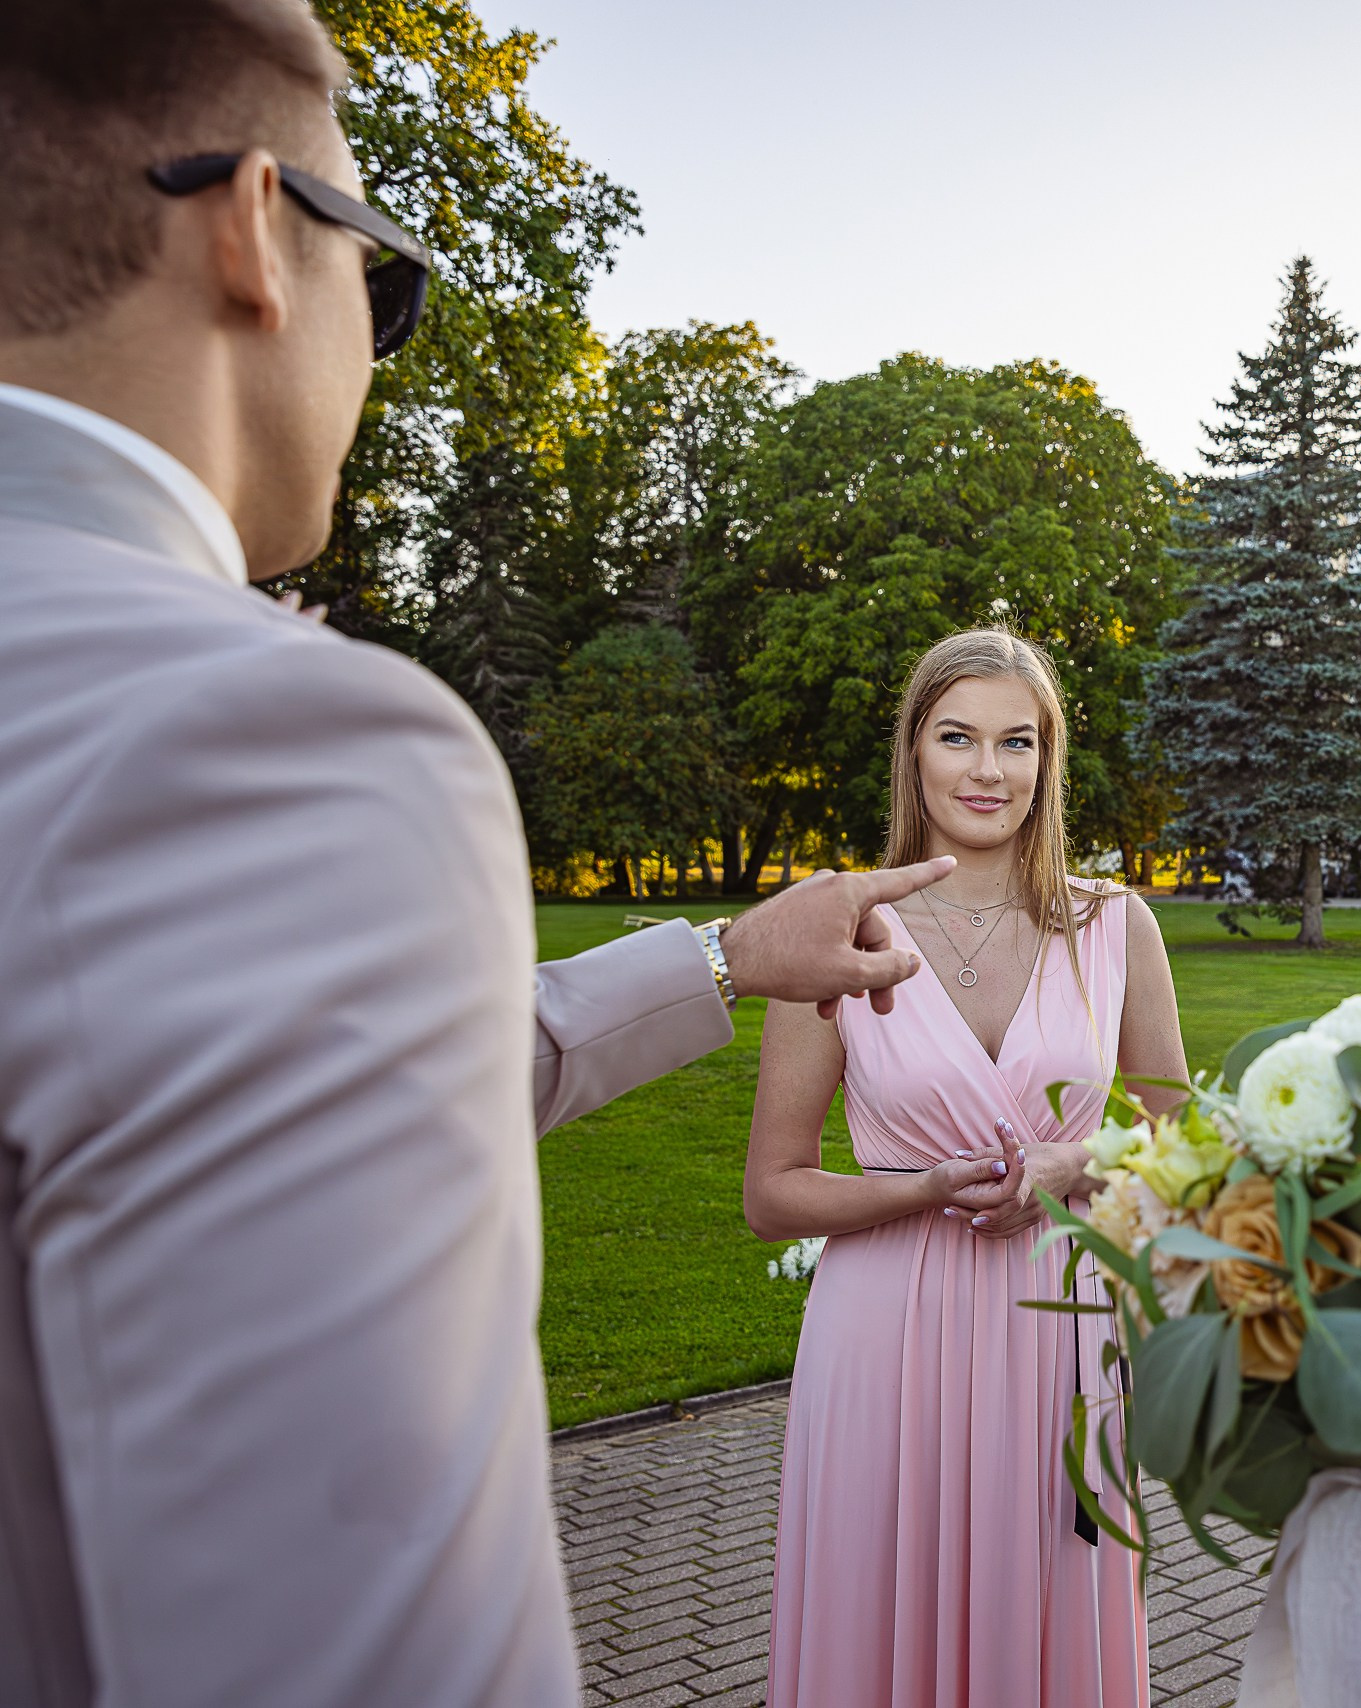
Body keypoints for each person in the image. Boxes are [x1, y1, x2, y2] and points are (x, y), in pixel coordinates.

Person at [0, 6, 956, 1704]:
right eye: (386, 277)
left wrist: (724, 957)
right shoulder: (271, 746)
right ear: (250, 231)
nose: (376, 351)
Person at [747, 628, 1186, 1708]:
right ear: (913, 751)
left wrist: (1068, 1160)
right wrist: (923, 1189)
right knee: (879, 1614)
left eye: (1016, 741)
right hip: (884, 1333)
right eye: (958, 737)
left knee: (1048, 1605)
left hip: (1062, 1329)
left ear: (1049, 760)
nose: (988, 769)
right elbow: (774, 1192)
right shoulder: (836, 930)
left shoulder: (1115, 923)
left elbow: (1181, 1131)